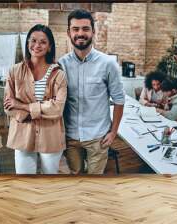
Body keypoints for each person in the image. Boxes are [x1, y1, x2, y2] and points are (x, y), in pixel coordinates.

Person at [58, 9, 125, 174]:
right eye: (75, 29)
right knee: (76, 176)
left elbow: (119, 100)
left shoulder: (108, 64)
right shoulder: (61, 64)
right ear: (69, 32)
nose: (80, 33)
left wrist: (113, 132)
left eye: (85, 29)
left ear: (93, 32)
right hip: (71, 136)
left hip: (98, 137)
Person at [3, 24, 67, 174]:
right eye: (33, 40)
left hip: (51, 136)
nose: (37, 45)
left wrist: (23, 106)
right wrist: (41, 110)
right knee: (24, 181)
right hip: (22, 135)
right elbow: (8, 106)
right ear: (28, 43)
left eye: (43, 42)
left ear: (50, 47)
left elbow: (57, 109)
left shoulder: (59, 74)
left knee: (49, 182)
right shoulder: (14, 71)